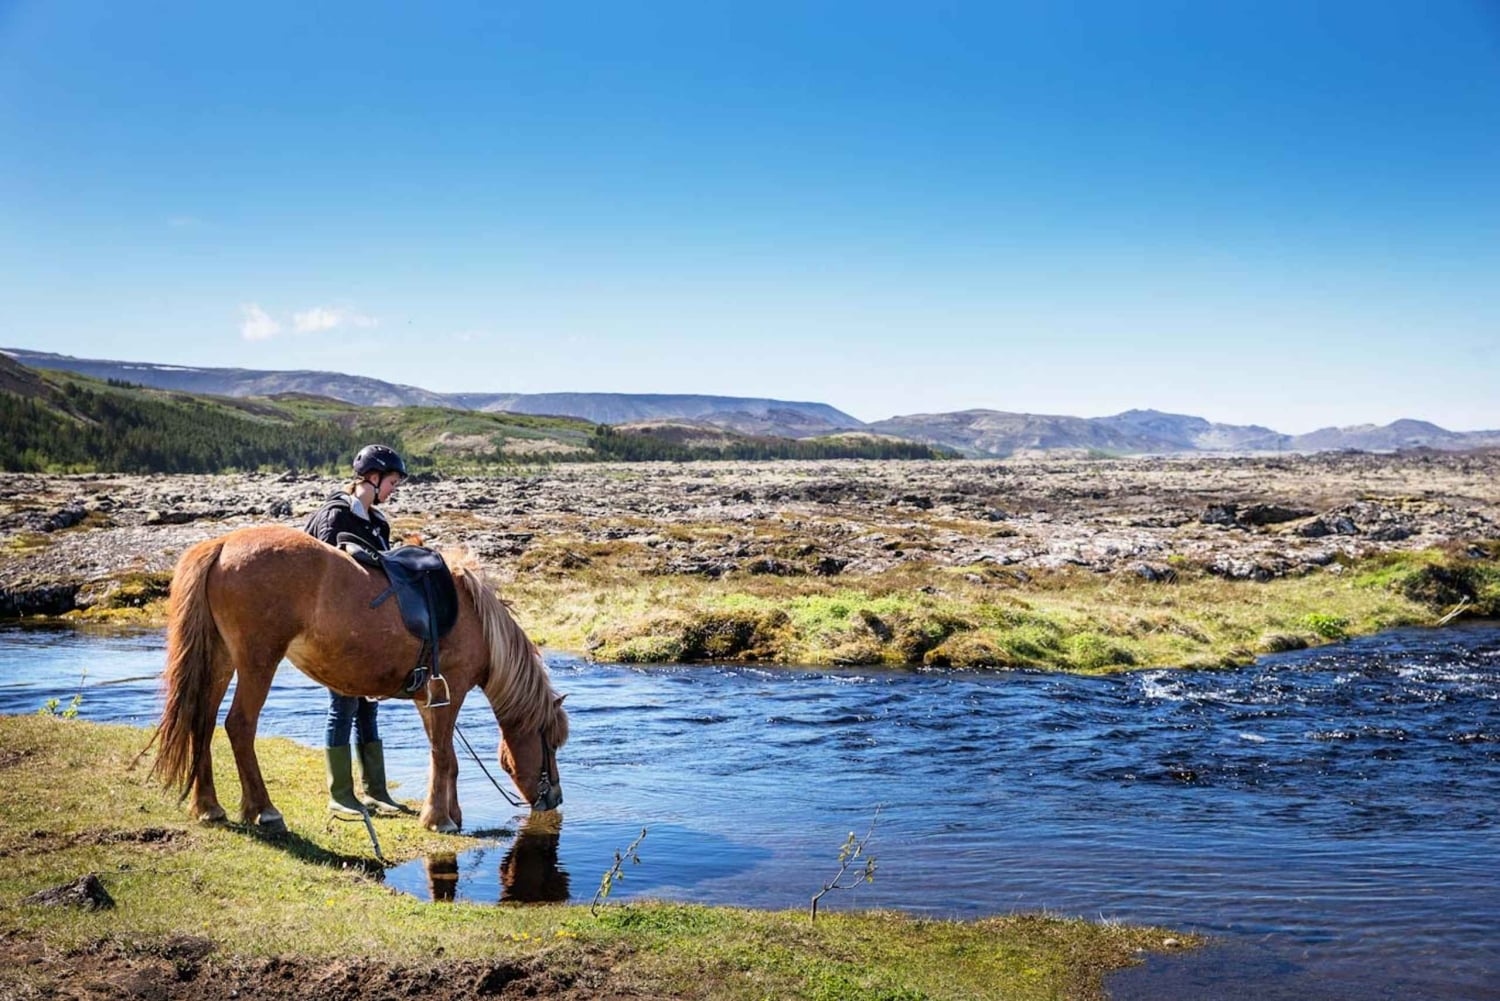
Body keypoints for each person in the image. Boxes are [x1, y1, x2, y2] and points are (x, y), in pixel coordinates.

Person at [302, 443, 409, 819]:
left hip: (369, 631)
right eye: (392, 482)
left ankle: (377, 791)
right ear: (373, 477)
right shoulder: (332, 514)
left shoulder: (379, 524)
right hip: (335, 631)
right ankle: (341, 795)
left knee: (367, 709)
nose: (393, 490)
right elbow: (325, 572)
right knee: (342, 707)